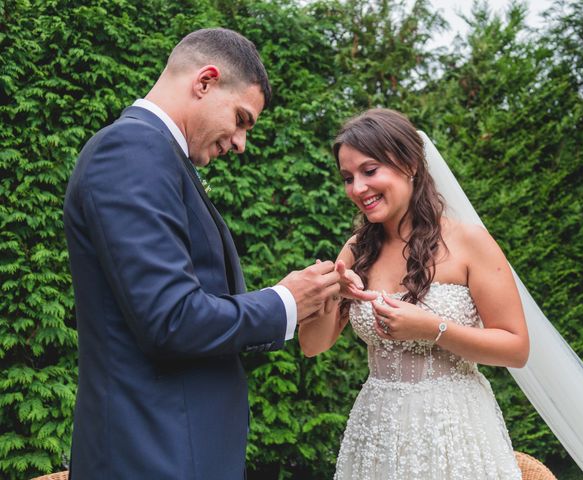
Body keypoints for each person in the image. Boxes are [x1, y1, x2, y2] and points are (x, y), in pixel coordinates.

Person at [63, 28, 344, 479]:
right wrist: (284, 300)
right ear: (205, 81)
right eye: (241, 119)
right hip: (152, 455)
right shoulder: (131, 151)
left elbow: (187, 311)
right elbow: (171, 320)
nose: (240, 142)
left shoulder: (157, 156)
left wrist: (301, 306)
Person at [298, 108, 530, 479]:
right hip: (377, 430)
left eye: (370, 171)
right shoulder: (357, 250)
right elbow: (312, 345)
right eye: (347, 177)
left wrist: (431, 328)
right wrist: (330, 293)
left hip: (453, 429)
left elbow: (516, 349)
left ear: (410, 165)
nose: (357, 188)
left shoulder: (469, 242)